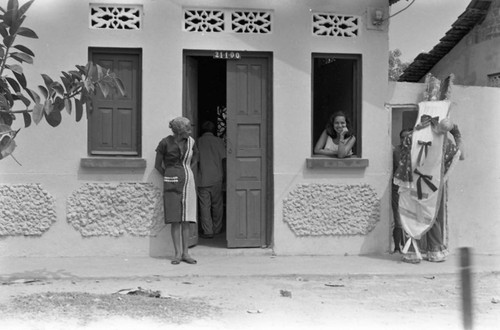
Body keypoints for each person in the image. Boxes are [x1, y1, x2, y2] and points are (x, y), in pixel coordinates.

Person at [155, 117, 198, 265]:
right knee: (175, 218)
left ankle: (186, 253)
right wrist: (169, 175)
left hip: (187, 183)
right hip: (171, 183)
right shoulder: (165, 143)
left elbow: (195, 159)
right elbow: (158, 165)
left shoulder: (191, 142)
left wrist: (185, 172)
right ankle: (177, 253)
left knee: (186, 218)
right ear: (180, 131)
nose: (190, 131)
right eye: (187, 129)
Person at [196, 121, 226, 239]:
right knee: (217, 205)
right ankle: (217, 228)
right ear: (213, 130)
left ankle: (208, 231)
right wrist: (225, 176)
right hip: (217, 177)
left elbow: (196, 161)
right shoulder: (218, 141)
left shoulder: (198, 141)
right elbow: (224, 160)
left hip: (203, 178)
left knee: (204, 206)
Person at [391, 128, 412, 253]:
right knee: (398, 219)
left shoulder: (416, 151)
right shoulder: (396, 151)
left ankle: (408, 247)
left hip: (411, 190)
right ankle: (397, 247)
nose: (405, 139)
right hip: (397, 189)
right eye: (403, 137)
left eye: (408, 137)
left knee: (410, 220)